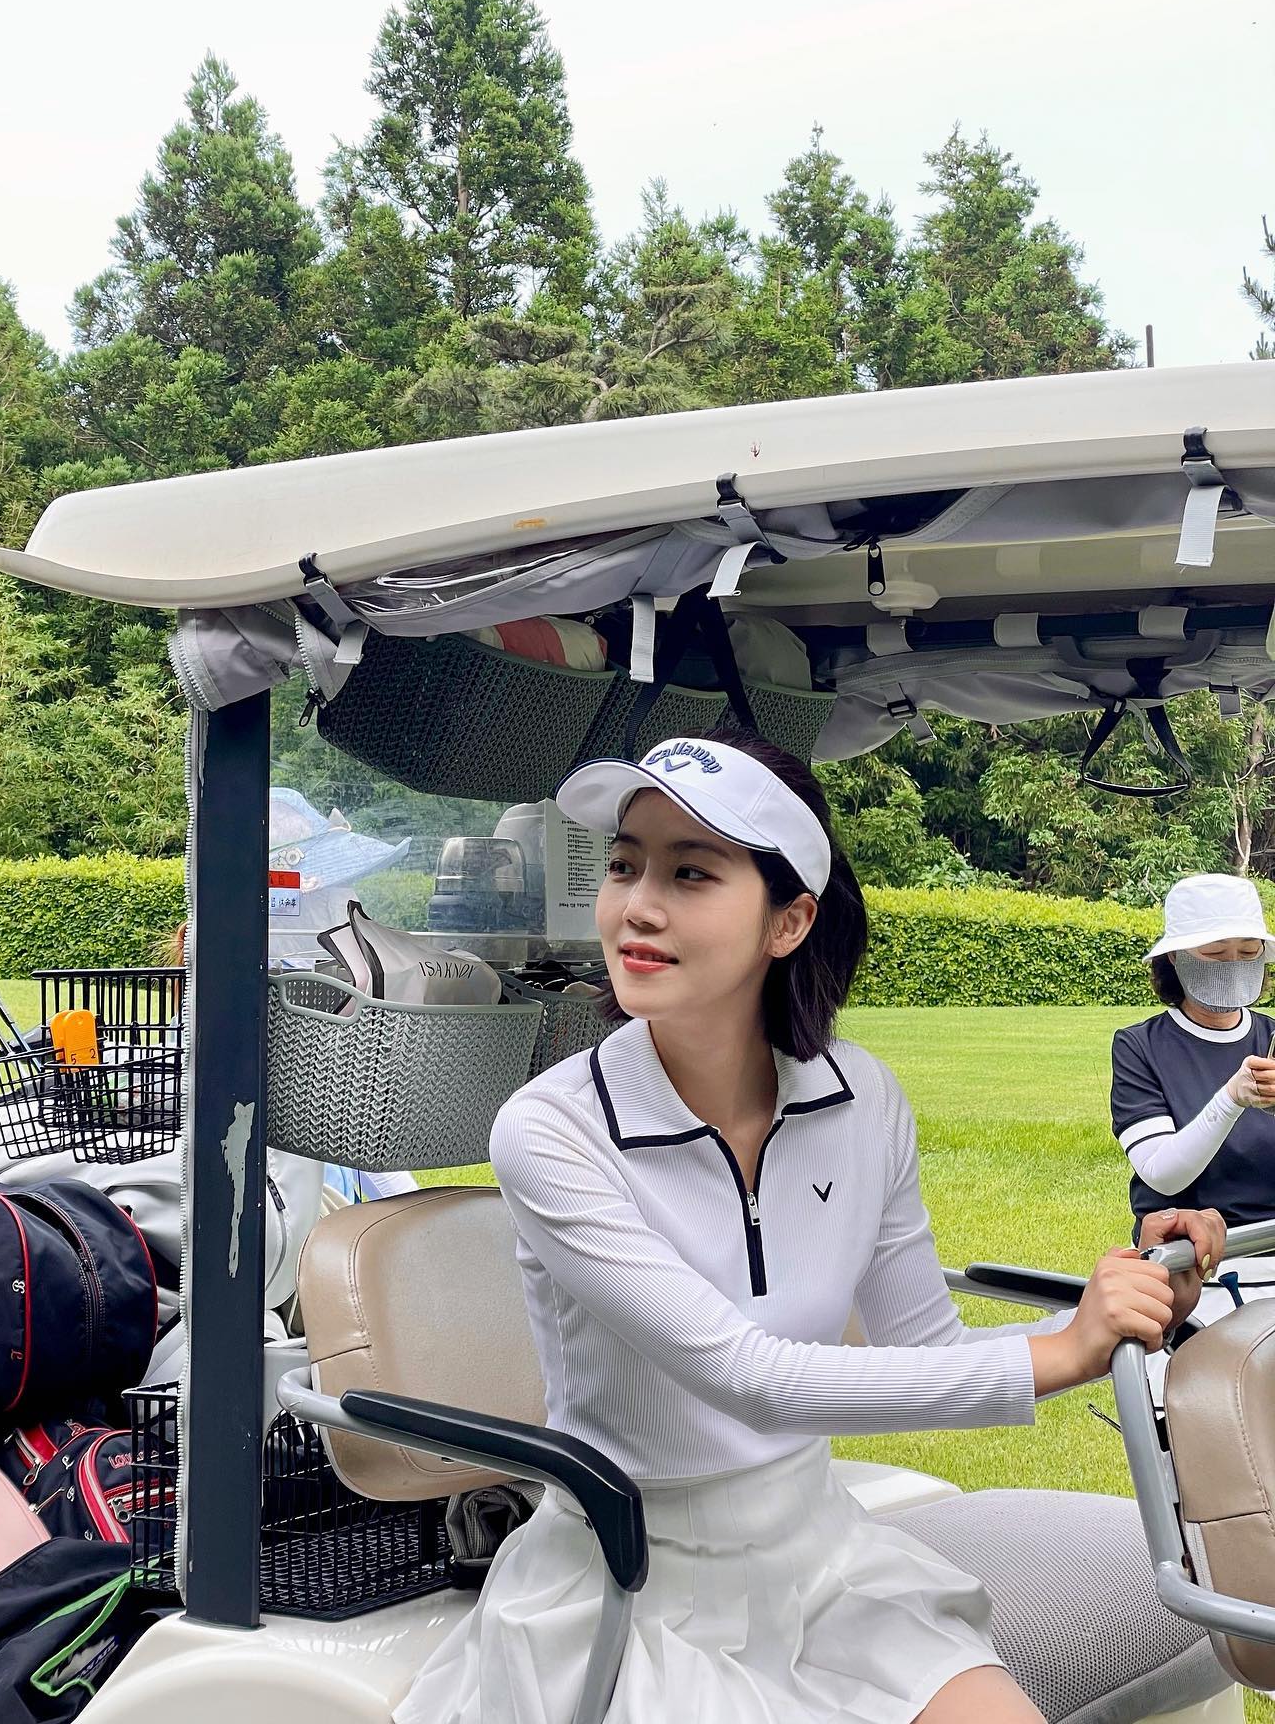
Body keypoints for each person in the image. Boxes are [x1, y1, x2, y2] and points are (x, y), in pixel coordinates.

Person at [394, 730, 1223, 1724]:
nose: (637, 907)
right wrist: (1062, 1351)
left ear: (788, 922)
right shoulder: (552, 1130)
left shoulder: (862, 1098)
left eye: (690, 873)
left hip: (820, 1559)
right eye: (623, 866)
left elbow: (928, 1352)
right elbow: (753, 1380)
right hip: (632, 1585)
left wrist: (1129, 1298)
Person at [1112, 873, 1275, 1235]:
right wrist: (1232, 1098)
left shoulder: (1271, 1036)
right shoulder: (1139, 1047)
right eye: (1215, 952)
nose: (1233, 964)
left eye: (1248, 952)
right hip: (1189, 1255)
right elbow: (1162, 1175)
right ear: (1174, 956)